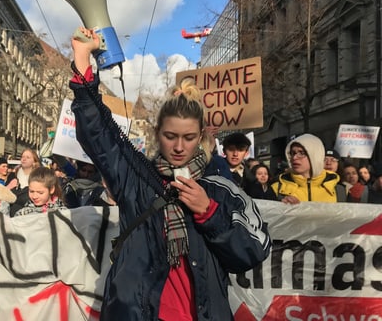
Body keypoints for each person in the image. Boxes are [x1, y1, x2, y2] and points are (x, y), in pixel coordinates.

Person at [69, 27, 270, 320]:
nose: (178, 146)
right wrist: (82, 57)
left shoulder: (220, 188)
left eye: (188, 137)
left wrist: (209, 213)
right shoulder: (135, 177)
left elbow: (252, 252)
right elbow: (97, 134)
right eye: (170, 136)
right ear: (157, 133)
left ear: (200, 134)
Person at [271, 134, 346, 203]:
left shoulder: (340, 191)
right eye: (292, 153)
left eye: (301, 153)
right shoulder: (276, 189)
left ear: (315, 155)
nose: (294, 157)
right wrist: (281, 208)